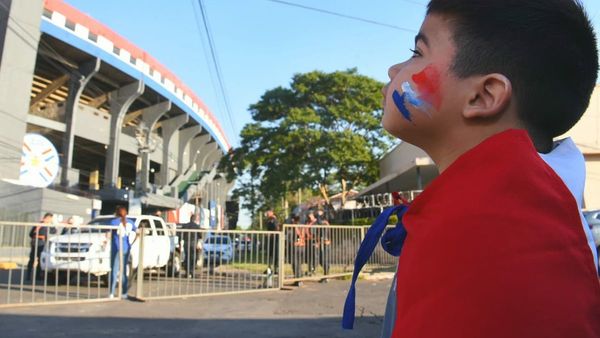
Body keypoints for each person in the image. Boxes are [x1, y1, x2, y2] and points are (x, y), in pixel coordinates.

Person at [343, 1, 600, 337]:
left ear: (483, 96)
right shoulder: (520, 210)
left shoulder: (485, 232)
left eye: (416, 52)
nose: (394, 69)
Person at [108, 206, 137, 299]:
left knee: (114, 270)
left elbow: (108, 233)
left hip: (116, 248)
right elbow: (138, 232)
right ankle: (124, 293)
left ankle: (111, 293)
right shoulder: (130, 222)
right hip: (126, 248)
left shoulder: (114, 222)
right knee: (124, 271)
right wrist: (131, 243)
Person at [26, 213, 55, 281]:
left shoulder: (47, 225)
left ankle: (37, 276)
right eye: (50, 218)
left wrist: (52, 224)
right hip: (38, 243)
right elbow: (31, 233)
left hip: (41, 243)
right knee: (32, 259)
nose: (50, 220)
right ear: (46, 218)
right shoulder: (40, 224)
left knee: (39, 260)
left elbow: (54, 231)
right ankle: (28, 275)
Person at [182, 213, 201, 278]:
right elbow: (200, 236)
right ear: (195, 219)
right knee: (193, 258)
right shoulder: (196, 226)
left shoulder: (185, 226)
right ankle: (191, 272)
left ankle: (187, 272)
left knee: (187, 257)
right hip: (193, 243)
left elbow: (181, 234)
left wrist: (180, 243)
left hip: (186, 243)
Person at [315, 210, 331, 281]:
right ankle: (325, 275)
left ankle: (326, 276)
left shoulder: (325, 223)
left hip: (326, 243)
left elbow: (329, 231)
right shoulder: (320, 224)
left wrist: (329, 240)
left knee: (325, 259)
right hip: (322, 243)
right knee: (321, 259)